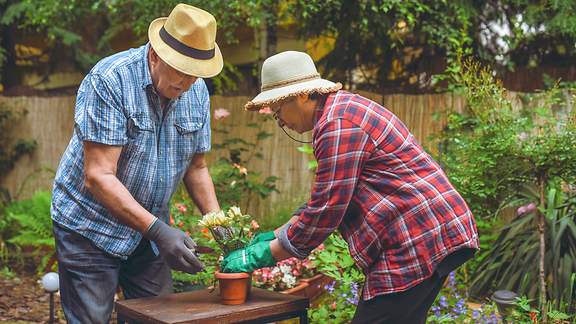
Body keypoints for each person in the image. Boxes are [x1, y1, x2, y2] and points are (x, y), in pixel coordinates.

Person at [221, 51, 479, 323]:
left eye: (278, 110)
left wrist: (263, 254)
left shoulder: (338, 124)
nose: (280, 120)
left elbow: (326, 212)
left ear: (302, 95)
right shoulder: (339, 113)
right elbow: (329, 197)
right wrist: (275, 234)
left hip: (416, 238)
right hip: (428, 233)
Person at [50, 4, 223, 323]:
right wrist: (160, 232)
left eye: (194, 73)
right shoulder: (111, 79)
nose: (186, 83)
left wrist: (218, 223)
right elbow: (99, 175)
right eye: (180, 71)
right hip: (89, 226)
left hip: (147, 230)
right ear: (156, 56)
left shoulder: (196, 92)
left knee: (159, 317)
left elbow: (196, 167)